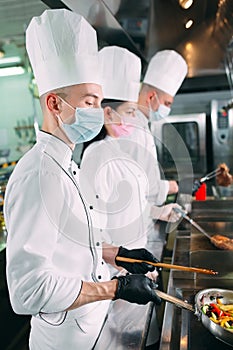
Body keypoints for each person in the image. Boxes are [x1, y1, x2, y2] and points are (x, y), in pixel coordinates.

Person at [3, 10, 162, 350]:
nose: (97, 111)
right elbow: (27, 289)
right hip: (64, 342)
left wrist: (118, 255)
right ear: (53, 103)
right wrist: (116, 289)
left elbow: (69, 246)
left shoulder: (66, 162)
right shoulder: (38, 175)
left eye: (100, 101)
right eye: (89, 102)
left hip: (91, 327)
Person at [80, 45, 182, 349]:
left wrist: (155, 214)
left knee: (147, 336)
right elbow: (92, 230)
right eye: (128, 112)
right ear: (108, 113)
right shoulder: (96, 156)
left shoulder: (125, 148)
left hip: (134, 261)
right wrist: (120, 267)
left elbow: (138, 198)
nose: (134, 119)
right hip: (114, 276)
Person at [119, 49, 188, 206]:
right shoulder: (133, 129)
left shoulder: (141, 125)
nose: (168, 109)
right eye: (167, 103)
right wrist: (173, 186)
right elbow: (145, 187)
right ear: (151, 97)